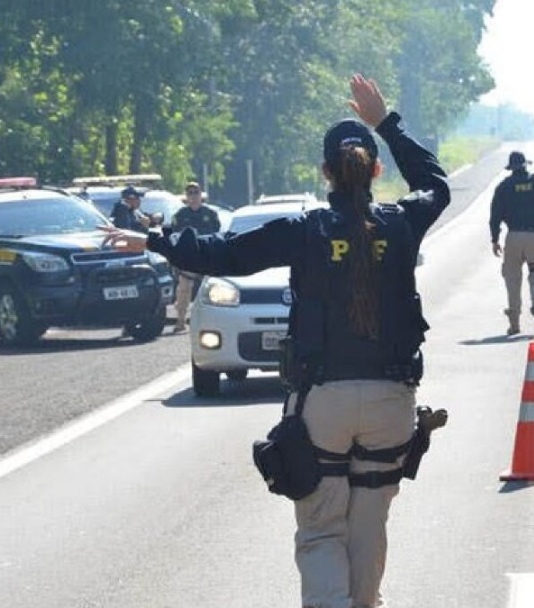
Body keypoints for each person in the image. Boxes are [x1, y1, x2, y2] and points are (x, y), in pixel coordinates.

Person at [101, 73, 449, 608]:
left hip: (323, 404)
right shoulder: (402, 224)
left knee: (320, 530)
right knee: (369, 525)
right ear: (377, 170)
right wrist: (386, 123)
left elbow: (219, 253)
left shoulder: (303, 229)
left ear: (325, 172)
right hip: (391, 402)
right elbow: (435, 183)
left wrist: (154, 238)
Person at [488, 150, 534, 335]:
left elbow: (494, 216)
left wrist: (495, 239)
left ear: (511, 168)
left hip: (513, 238)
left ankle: (514, 322)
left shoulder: (504, 187)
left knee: (512, 279)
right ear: (526, 165)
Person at [170, 181, 221, 331]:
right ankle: (180, 320)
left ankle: (214, 321)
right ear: (186, 196)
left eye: (196, 192)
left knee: (213, 289)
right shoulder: (180, 215)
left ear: (201, 195)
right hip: (189, 257)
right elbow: (175, 236)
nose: (193, 196)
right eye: (190, 193)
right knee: (184, 288)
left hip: (207, 256)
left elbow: (216, 234)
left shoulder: (210, 214)